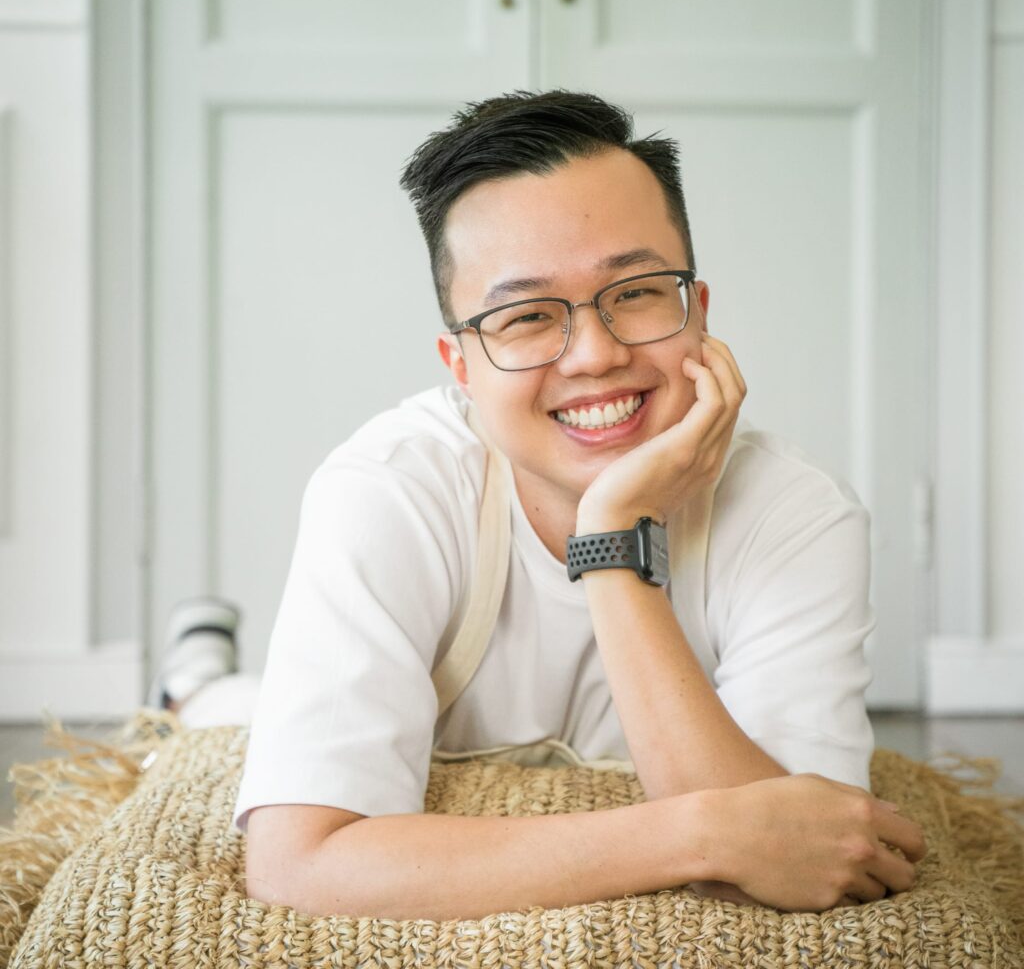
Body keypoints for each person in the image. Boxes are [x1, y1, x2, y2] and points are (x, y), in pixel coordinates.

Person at [150, 90, 927, 922]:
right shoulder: (389, 486)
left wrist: (612, 536)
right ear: (461, 364)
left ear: (698, 312)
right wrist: (697, 832)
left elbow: (801, 856)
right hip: (382, 690)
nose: (595, 355)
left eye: (635, 294)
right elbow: (300, 863)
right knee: (230, 714)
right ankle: (193, 677)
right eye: (525, 316)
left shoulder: (796, 514)